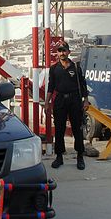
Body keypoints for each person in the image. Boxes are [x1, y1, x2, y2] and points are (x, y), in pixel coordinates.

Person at [46, 42, 89, 170]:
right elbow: (51, 86)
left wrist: (85, 100)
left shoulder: (75, 67)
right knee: (59, 129)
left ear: (68, 52)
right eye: (60, 51)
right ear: (57, 53)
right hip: (60, 100)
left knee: (77, 128)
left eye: (64, 50)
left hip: (74, 100)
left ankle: (80, 156)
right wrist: (47, 103)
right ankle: (59, 157)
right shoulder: (54, 69)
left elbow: (83, 84)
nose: (62, 53)